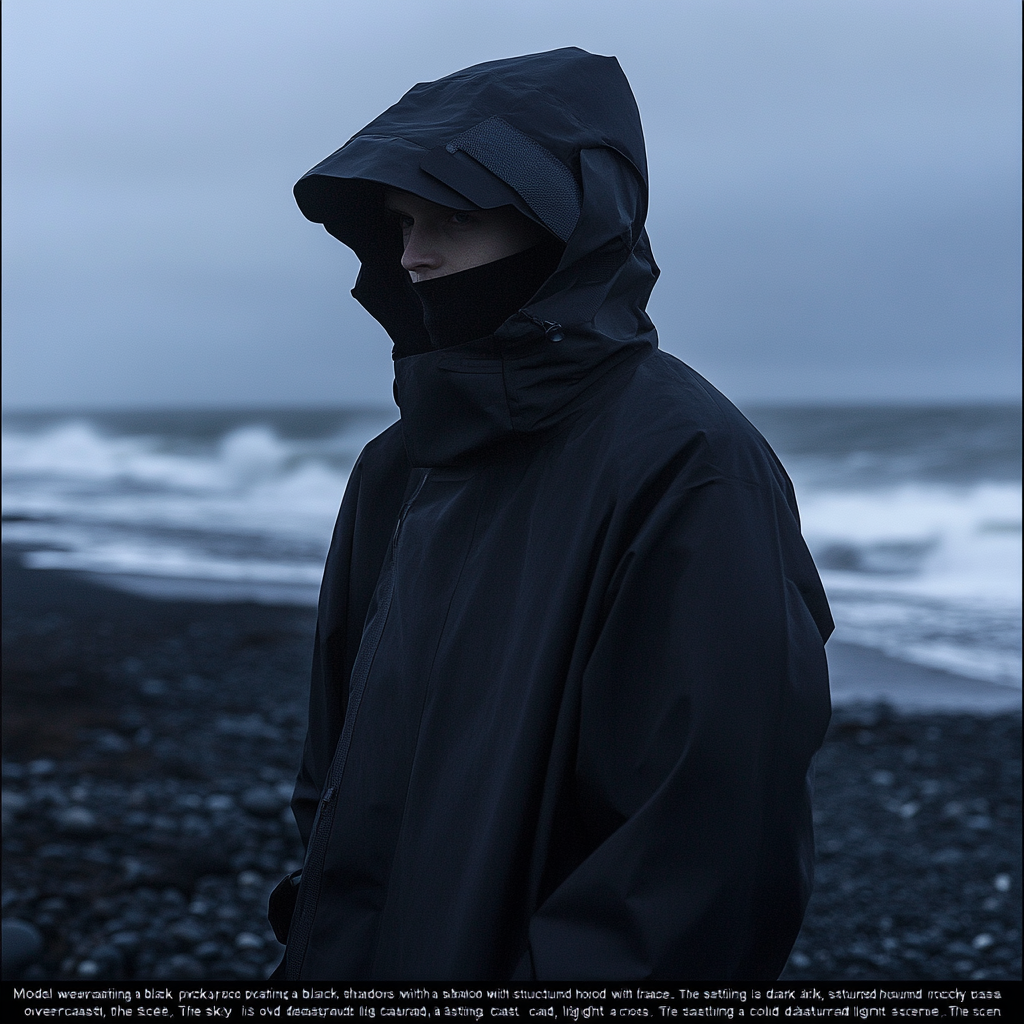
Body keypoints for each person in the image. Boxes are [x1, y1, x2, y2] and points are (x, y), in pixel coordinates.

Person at [269, 46, 833, 981]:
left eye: (453, 215)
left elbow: (702, 859)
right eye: (402, 221)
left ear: (565, 228)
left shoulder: (692, 467)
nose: (413, 254)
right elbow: (336, 777)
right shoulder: (395, 469)